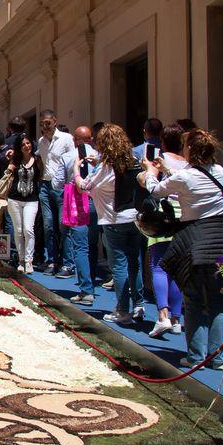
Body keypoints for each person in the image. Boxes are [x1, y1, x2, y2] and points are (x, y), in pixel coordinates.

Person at [144, 129, 223, 369]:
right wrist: (169, 171)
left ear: (190, 149)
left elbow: (156, 190)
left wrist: (151, 172)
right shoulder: (219, 172)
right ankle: (217, 357)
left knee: (194, 297)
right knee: (218, 299)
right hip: (221, 237)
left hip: (195, 238)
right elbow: (190, 179)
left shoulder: (185, 177)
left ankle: (196, 355)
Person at [74, 124, 144, 325]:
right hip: (135, 217)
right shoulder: (133, 161)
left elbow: (84, 187)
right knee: (135, 262)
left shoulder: (105, 167)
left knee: (119, 265)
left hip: (114, 220)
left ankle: (122, 310)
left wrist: (76, 171)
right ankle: (139, 305)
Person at [139, 124, 188, 337]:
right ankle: (177, 318)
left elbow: (149, 183)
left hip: (162, 217)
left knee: (159, 266)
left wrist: (146, 170)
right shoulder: (188, 164)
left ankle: (163, 315)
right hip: (183, 218)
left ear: (163, 141)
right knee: (177, 268)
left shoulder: (160, 160)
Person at [55, 126, 97, 305]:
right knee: (94, 243)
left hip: (77, 203)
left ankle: (86, 289)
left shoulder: (67, 156)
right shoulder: (99, 155)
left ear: (74, 140)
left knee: (80, 247)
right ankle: (93, 280)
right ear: (91, 139)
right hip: (97, 202)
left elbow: (57, 182)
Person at [37, 109, 75, 275]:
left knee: (63, 225)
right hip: (45, 185)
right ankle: (52, 260)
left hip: (62, 187)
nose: (45, 126)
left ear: (54, 121)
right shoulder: (41, 142)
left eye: (48, 123)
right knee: (48, 225)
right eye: (42, 124)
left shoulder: (66, 139)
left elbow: (73, 160)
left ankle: (67, 263)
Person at [6, 135, 43, 274]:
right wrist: (9, 165)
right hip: (14, 199)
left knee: (28, 229)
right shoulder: (15, 160)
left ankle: (29, 260)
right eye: (23, 145)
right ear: (19, 148)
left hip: (31, 199)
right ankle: (21, 260)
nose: (27, 146)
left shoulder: (37, 160)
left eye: (28, 143)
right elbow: (8, 173)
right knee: (19, 230)